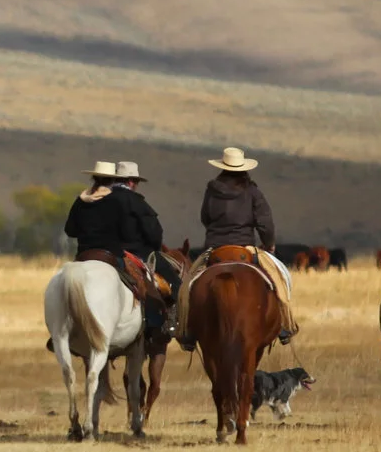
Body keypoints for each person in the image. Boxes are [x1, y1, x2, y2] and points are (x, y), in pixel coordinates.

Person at [178, 147, 299, 349]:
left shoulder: (211, 190)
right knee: (281, 278)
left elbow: (205, 218)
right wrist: (269, 244)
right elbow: (265, 224)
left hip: (215, 249)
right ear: (244, 168)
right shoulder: (253, 191)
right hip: (245, 248)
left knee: (187, 287)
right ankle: (285, 324)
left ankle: (186, 330)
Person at [62, 161, 164, 303]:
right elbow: (126, 231)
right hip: (111, 253)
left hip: (83, 254)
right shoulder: (116, 201)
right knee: (145, 287)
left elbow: (70, 230)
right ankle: (154, 319)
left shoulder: (80, 201)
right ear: (113, 179)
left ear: (93, 178)